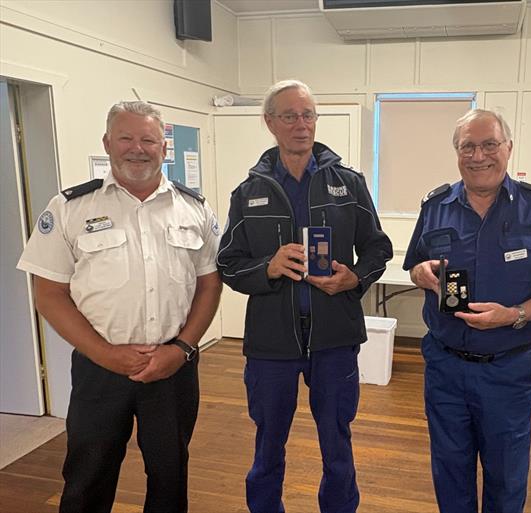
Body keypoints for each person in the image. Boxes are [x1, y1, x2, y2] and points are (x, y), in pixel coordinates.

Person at [16, 101, 223, 513]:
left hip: (173, 368)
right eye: (126, 138)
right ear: (107, 143)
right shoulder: (71, 208)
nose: (137, 148)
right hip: (100, 369)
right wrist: (104, 354)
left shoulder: (194, 208)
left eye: (148, 139)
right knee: (88, 475)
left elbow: (209, 284)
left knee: (170, 475)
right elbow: (49, 294)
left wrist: (181, 349)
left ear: (164, 147)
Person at [216, 79, 392, 513]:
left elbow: (378, 248)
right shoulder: (248, 193)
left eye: (308, 115)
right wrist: (268, 267)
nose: (301, 124)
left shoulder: (348, 184)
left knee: (337, 446)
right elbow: (229, 263)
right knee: (268, 446)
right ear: (270, 122)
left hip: (335, 340)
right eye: (290, 116)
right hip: (270, 344)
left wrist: (354, 278)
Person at [403, 109, 531, 513]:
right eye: (468, 147)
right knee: (449, 470)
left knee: (506, 475)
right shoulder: (435, 206)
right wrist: (421, 273)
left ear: (508, 148)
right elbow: (415, 267)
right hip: (445, 366)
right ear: (457, 153)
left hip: (509, 368)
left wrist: (512, 315)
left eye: (489, 145)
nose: (479, 156)